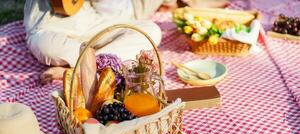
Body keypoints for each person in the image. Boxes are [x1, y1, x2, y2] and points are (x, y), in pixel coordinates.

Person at [24, 0, 228, 84]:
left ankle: (82, 67)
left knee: (151, 30)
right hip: (49, 24)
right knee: (46, 46)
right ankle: (91, 62)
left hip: (89, 19)